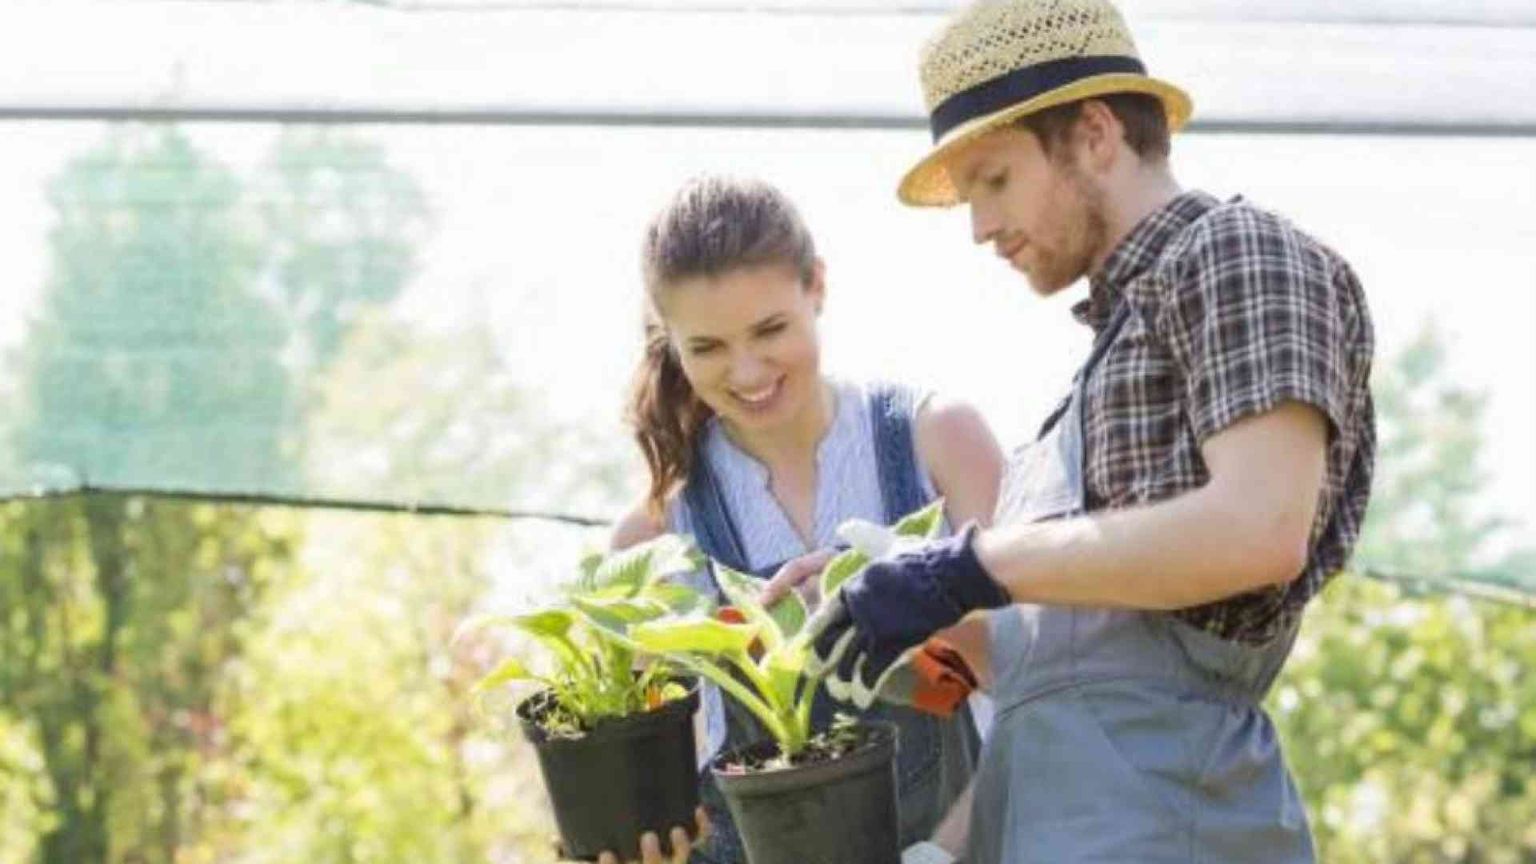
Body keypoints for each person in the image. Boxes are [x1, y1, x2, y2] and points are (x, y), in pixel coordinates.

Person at [807, 1, 1377, 861]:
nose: (980, 228)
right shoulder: (1093, 379)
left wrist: (969, 564)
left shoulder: (1238, 253)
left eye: (994, 180)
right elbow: (1065, 683)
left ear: (1096, 134)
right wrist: (890, 595)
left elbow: (1259, 530)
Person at [593, 175, 1005, 864]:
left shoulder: (937, 443)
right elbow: (649, 782)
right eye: (707, 348)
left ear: (817, 286)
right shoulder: (656, 537)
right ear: (671, 341)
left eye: (770, 329)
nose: (747, 370)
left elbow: (1046, 681)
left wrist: (906, 602)